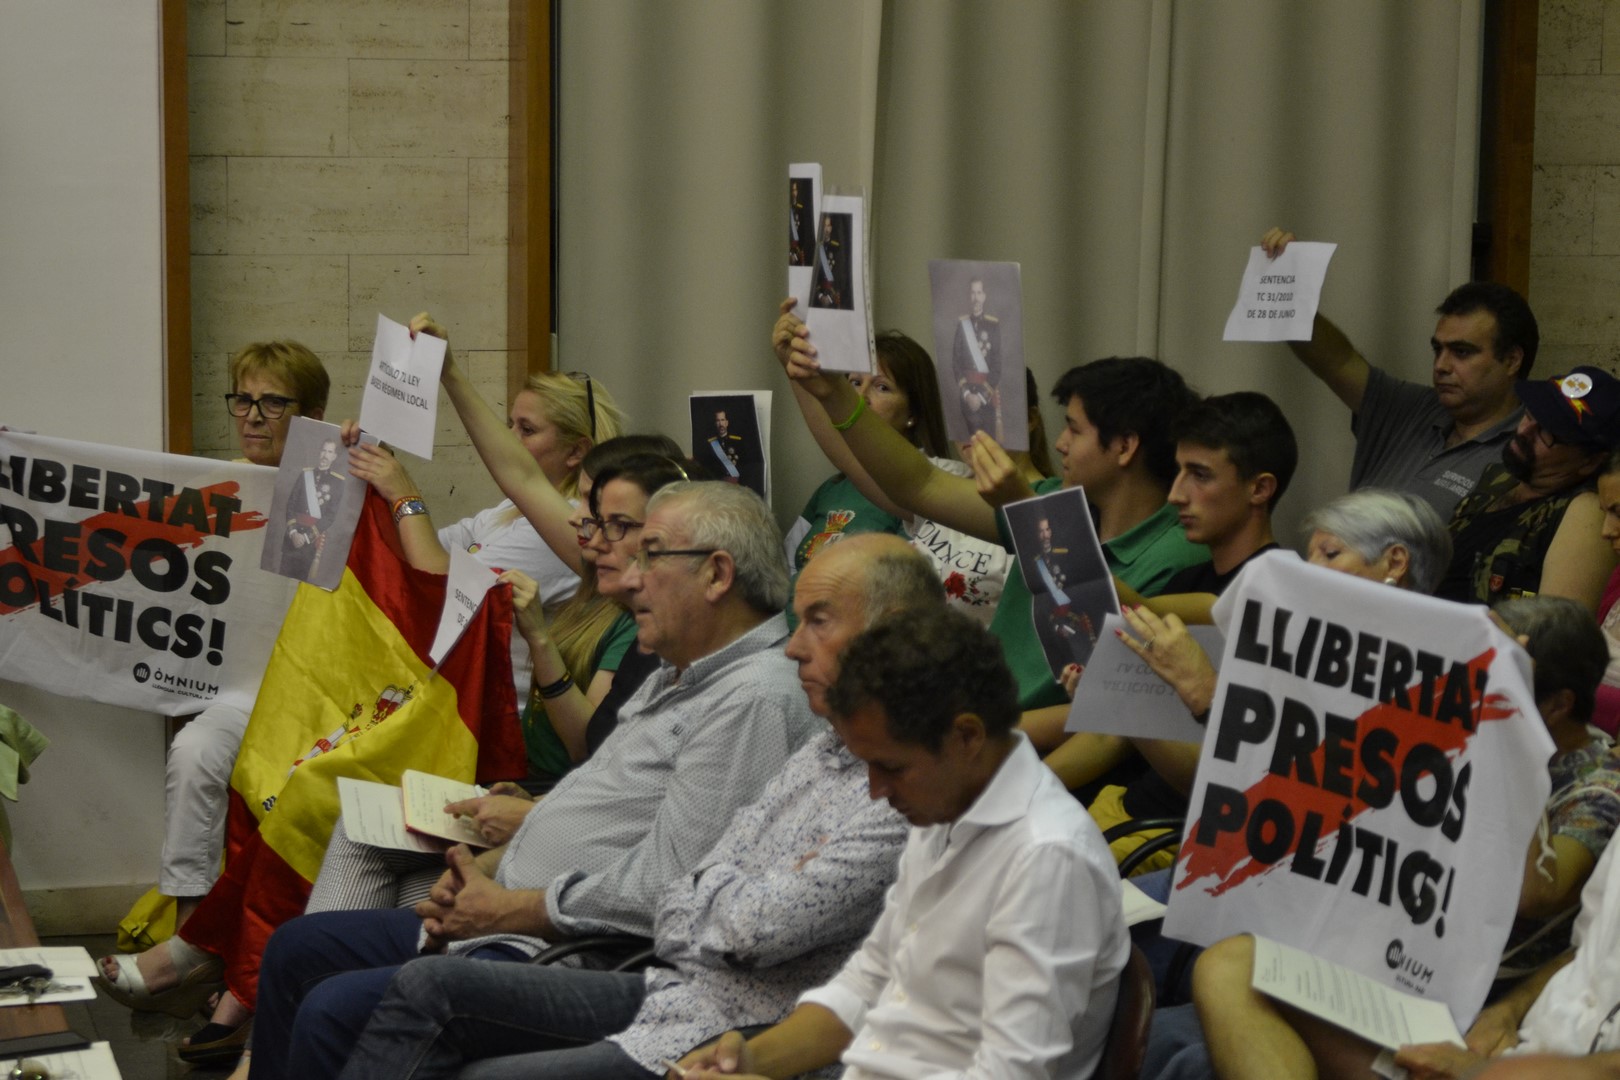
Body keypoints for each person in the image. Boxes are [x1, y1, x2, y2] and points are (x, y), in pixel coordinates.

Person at [274, 535, 938, 1079]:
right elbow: (706, 887)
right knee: (306, 954)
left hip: (682, 992)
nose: (624, 575)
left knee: (377, 1010)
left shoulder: (845, 751)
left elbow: (728, 922)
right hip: (666, 982)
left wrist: (704, 900)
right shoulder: (822, 747)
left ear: (716, 573)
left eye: (649, 551)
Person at [1158, 595, 1620, 1080]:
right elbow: (1317, 792)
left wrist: (1505, 728)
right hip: (1377, 950)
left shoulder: (1600, 786)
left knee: (1198, 1033)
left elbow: (1533, 894)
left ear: (1556, 704)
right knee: (1206, 984)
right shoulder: (1445, 723)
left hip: (1453, 998)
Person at [678, 607, 1131, 1080]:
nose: (875, 790)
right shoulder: (945, 807)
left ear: (966, 737)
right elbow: (868, 984)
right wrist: (748, 1062)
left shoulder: (1047, 858)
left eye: (891, 767)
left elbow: (1008, 1073)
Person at [776, 311, 1205, 729]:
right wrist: (831, 392)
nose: (1060, 442)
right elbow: (920, 484)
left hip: (1009, 750)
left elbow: (1117, 721)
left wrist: (970, 737)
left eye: (1074, 430)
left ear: (1126, 446)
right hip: (970, 722)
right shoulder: (1057, 499)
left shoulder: (1178, 557)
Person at [1056, 391, 1299, 862]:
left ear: (1259, 489)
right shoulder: (1193, 577)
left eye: (1200, 475)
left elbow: (1217, 777)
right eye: (1179, 470)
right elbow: (1117, 735)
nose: (1175, 494)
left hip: (1178, 837)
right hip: (1124, 808)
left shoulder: (1273, 596)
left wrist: (1120, 704)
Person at [155, 341, 330, 932]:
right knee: (194, 753)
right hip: (239, 694)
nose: (253, 416)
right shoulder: (208, 494)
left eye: (274, 402)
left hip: (318, 701)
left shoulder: (331, 497)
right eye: (244, 399)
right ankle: (188, 941)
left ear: (308, 415)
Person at [1261, 227, 1539, 519]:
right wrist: (1290, 287)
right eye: (1438, 349)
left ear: (1511, 360)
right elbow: (1337, 362)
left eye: (1462, 352)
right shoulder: (1411, 408)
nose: (1441, 365)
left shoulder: (1530, 452)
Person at [1437, 366, 1620, 612]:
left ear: (1591, 461)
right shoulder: (1500, 477)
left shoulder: (1587, 510)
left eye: (1547, 432)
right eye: (1530, 414)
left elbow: (1554, 635)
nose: (1524, 431)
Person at [278, 434, 348, 581]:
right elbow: (291, 504)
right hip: (292, 536)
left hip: (311, 541)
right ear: (319, 452)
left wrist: (306, 537)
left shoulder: (338, 482)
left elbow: (330, 516)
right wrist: (293, 533)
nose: (325, 455)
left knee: (299, 584)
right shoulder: (305, 474)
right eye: (323, 450)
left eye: (329, 452)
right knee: (280, 579)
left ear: (334, 456)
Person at [951, 277, 1003, 439]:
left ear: (984, 296)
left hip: (986, 396)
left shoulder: (993, 325)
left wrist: (980, 396)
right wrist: (967, 394)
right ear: (969, 297)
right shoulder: (962, 324)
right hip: (966, 396)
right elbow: (956, 362)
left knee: (988, 443)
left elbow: (997, 366)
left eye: (979, 293)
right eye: (972, 293)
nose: (976, 298)